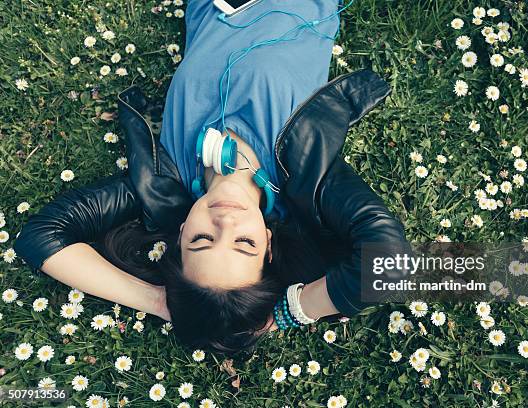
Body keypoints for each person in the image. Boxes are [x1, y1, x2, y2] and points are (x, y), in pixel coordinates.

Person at [14, 0, 407, 354]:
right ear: (269, 243)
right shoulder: (308, 175)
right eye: (245, 243)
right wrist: (295, 310)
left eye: (202, 240)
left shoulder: (164, 179)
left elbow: (40, 237)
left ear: (181, 232)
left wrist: (157, 301)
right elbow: (388, 264)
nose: (226, 220)